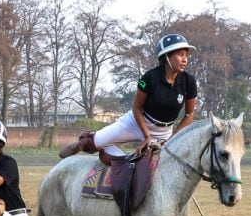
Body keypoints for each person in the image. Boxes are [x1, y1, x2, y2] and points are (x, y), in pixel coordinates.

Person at [58, 33, 198, 159]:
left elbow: (189, 115)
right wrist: (147, 136)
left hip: (165, 132)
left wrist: (173, 139)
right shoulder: (148, 78)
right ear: (166, 56)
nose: (185, 59)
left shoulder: (189, 82)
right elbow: (136, 107)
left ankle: (124, 159)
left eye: (186, 55)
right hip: (135, 123)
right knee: (95, 142)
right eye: (180, 54)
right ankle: (80, 145)